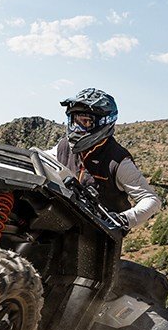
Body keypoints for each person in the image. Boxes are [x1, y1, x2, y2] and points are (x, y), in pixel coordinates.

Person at [48, 88, 161, 232]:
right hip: (62, 222)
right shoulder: (63, 146)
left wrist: (123, 219)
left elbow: (151, 200)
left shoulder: (118, 161)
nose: (76, 129)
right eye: (74, 121)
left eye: (85, 122)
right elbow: (40, 159)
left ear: (104, 123)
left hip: (98, 234)